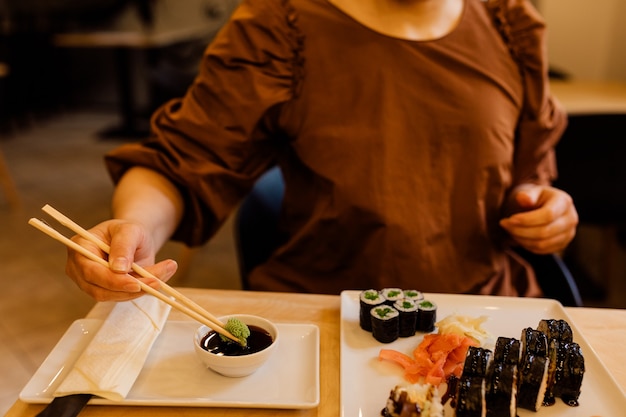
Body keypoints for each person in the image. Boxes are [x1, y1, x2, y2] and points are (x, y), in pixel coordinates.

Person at [65, 0, 578, 302]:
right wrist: (132, 229)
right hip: (329, 315)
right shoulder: (283, 24)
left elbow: (527, 177)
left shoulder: (509, 23)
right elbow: (181, 164)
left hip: (485, 313)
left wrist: (542, 208)